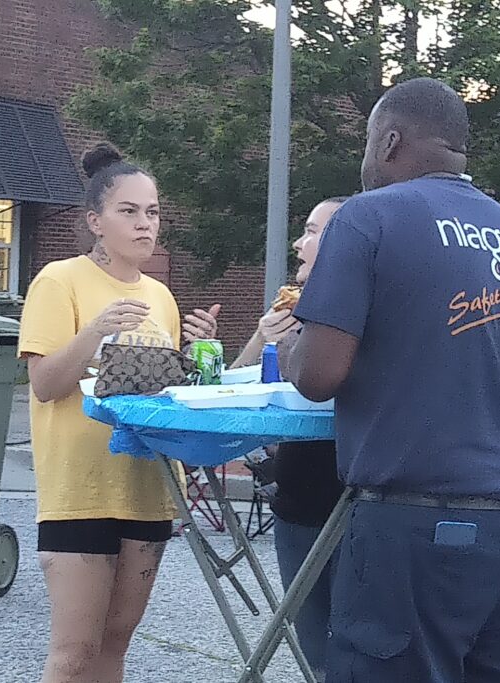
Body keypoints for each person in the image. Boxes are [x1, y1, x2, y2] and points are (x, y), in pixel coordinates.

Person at [289, 77, 500, 682]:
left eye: (366, 143)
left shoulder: (368, 217)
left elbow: (318, 375)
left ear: (389, 141)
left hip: (412, 535)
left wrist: (290, 347)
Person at [18, 142, 220, 683]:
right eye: (128, 211)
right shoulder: (59, 280)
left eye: (152, 212)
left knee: (114, 648)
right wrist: (95, 330)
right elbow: (45, 384)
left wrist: (199, 352)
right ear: (95, 222)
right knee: (73, 654)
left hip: (148, 487)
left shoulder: (160, 296)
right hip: (81, 489)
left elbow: (163, 394)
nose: (144, 223)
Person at [231, 197, 348, 675]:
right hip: (299, 500)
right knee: (314, 652)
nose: (298, 244)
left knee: (361, 653)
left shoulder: (367, 309)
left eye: (312, 232)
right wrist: (262, 339)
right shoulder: (291, 314)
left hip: (360, 503)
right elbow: (237, 390)